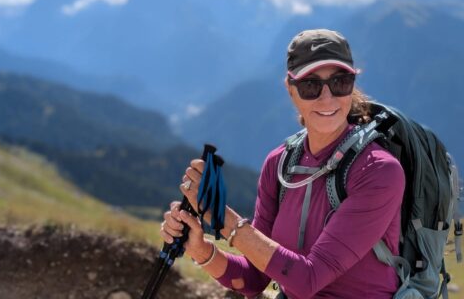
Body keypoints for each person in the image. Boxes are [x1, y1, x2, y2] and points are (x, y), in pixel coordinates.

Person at [161, 29, 405, 299]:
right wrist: (201, 249)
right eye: (310, 85)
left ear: (352, 85)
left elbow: (308, 279)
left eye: (340, 82)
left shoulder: (379, 171)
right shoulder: (280, 164)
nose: (327, 97)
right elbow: (254, 278)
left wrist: (222, 218)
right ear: (291, 89)